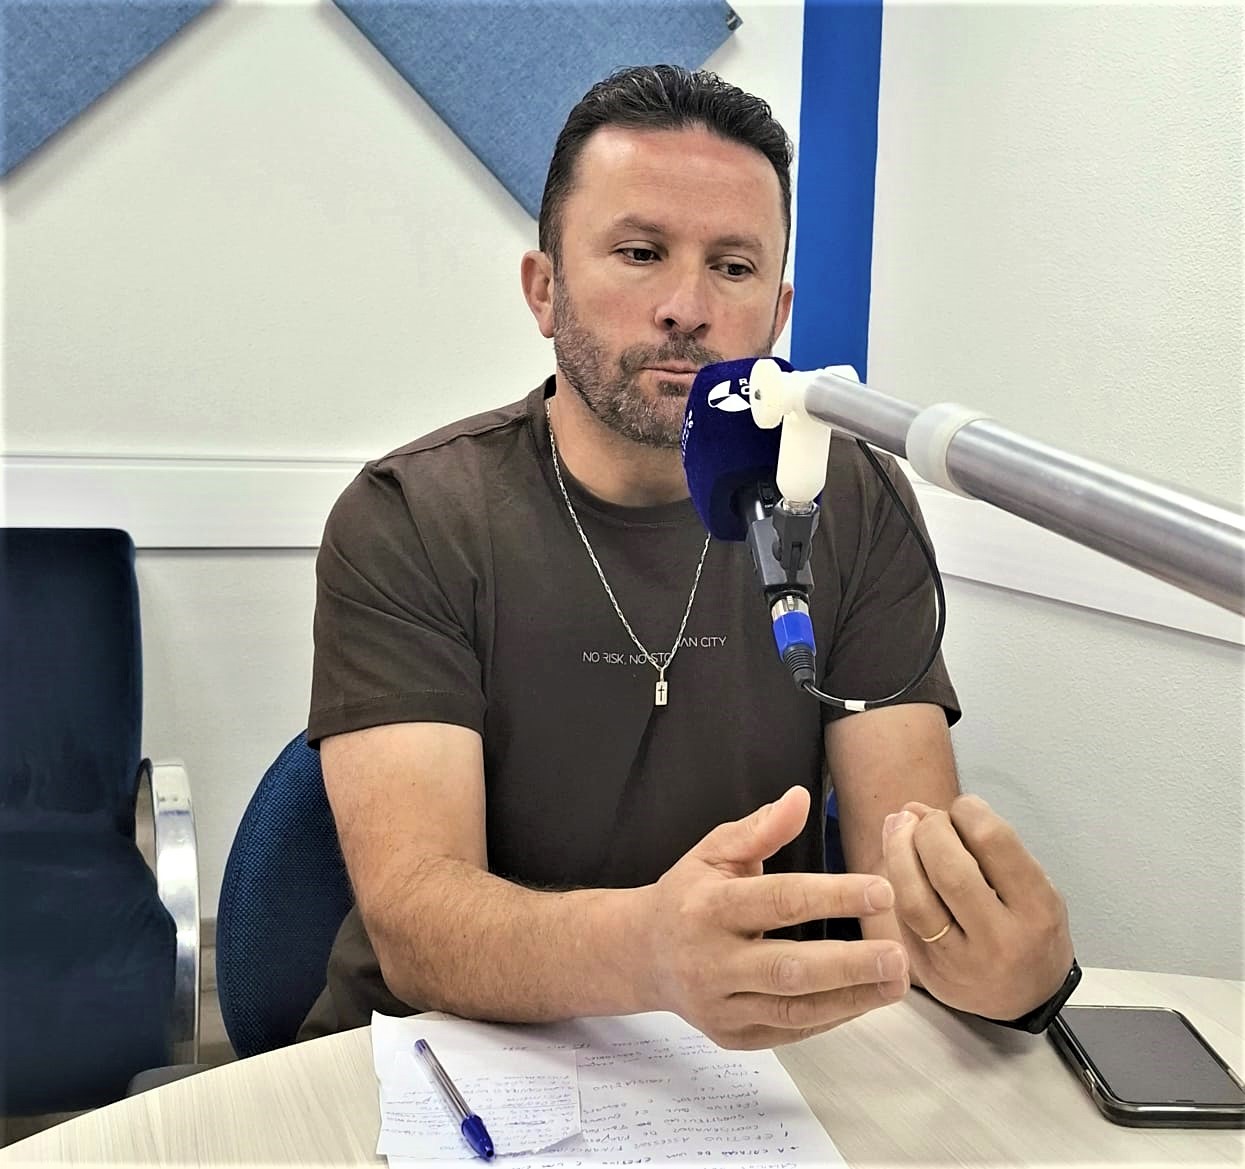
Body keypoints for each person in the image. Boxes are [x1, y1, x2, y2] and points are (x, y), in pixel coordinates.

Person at [300, 65, 1076, 1050]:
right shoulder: (412, 515)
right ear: (544, 289)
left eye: (733, 267)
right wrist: (647, 953)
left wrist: (998, 966)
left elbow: (902, 877)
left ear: (777, 313)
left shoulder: (849, 499)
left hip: (753, 1055)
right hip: (450, 1058)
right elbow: (419, 923)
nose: (686, 306)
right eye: (639, 252)